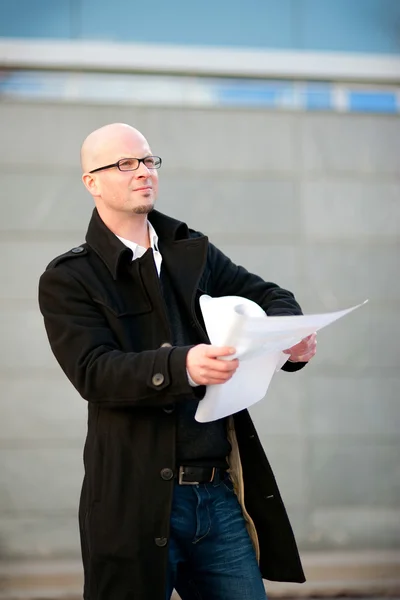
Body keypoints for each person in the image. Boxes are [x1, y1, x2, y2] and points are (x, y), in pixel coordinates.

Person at [38, 123, 316, 600]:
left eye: (148, 160)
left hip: (218, 492)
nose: (143, 171)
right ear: (92, 182)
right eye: (125, 163)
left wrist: (291, 338)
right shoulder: (70, 278)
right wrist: (183, 366)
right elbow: (94, 372)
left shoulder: (194, 252)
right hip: (134, 500)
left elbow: (272, 296)